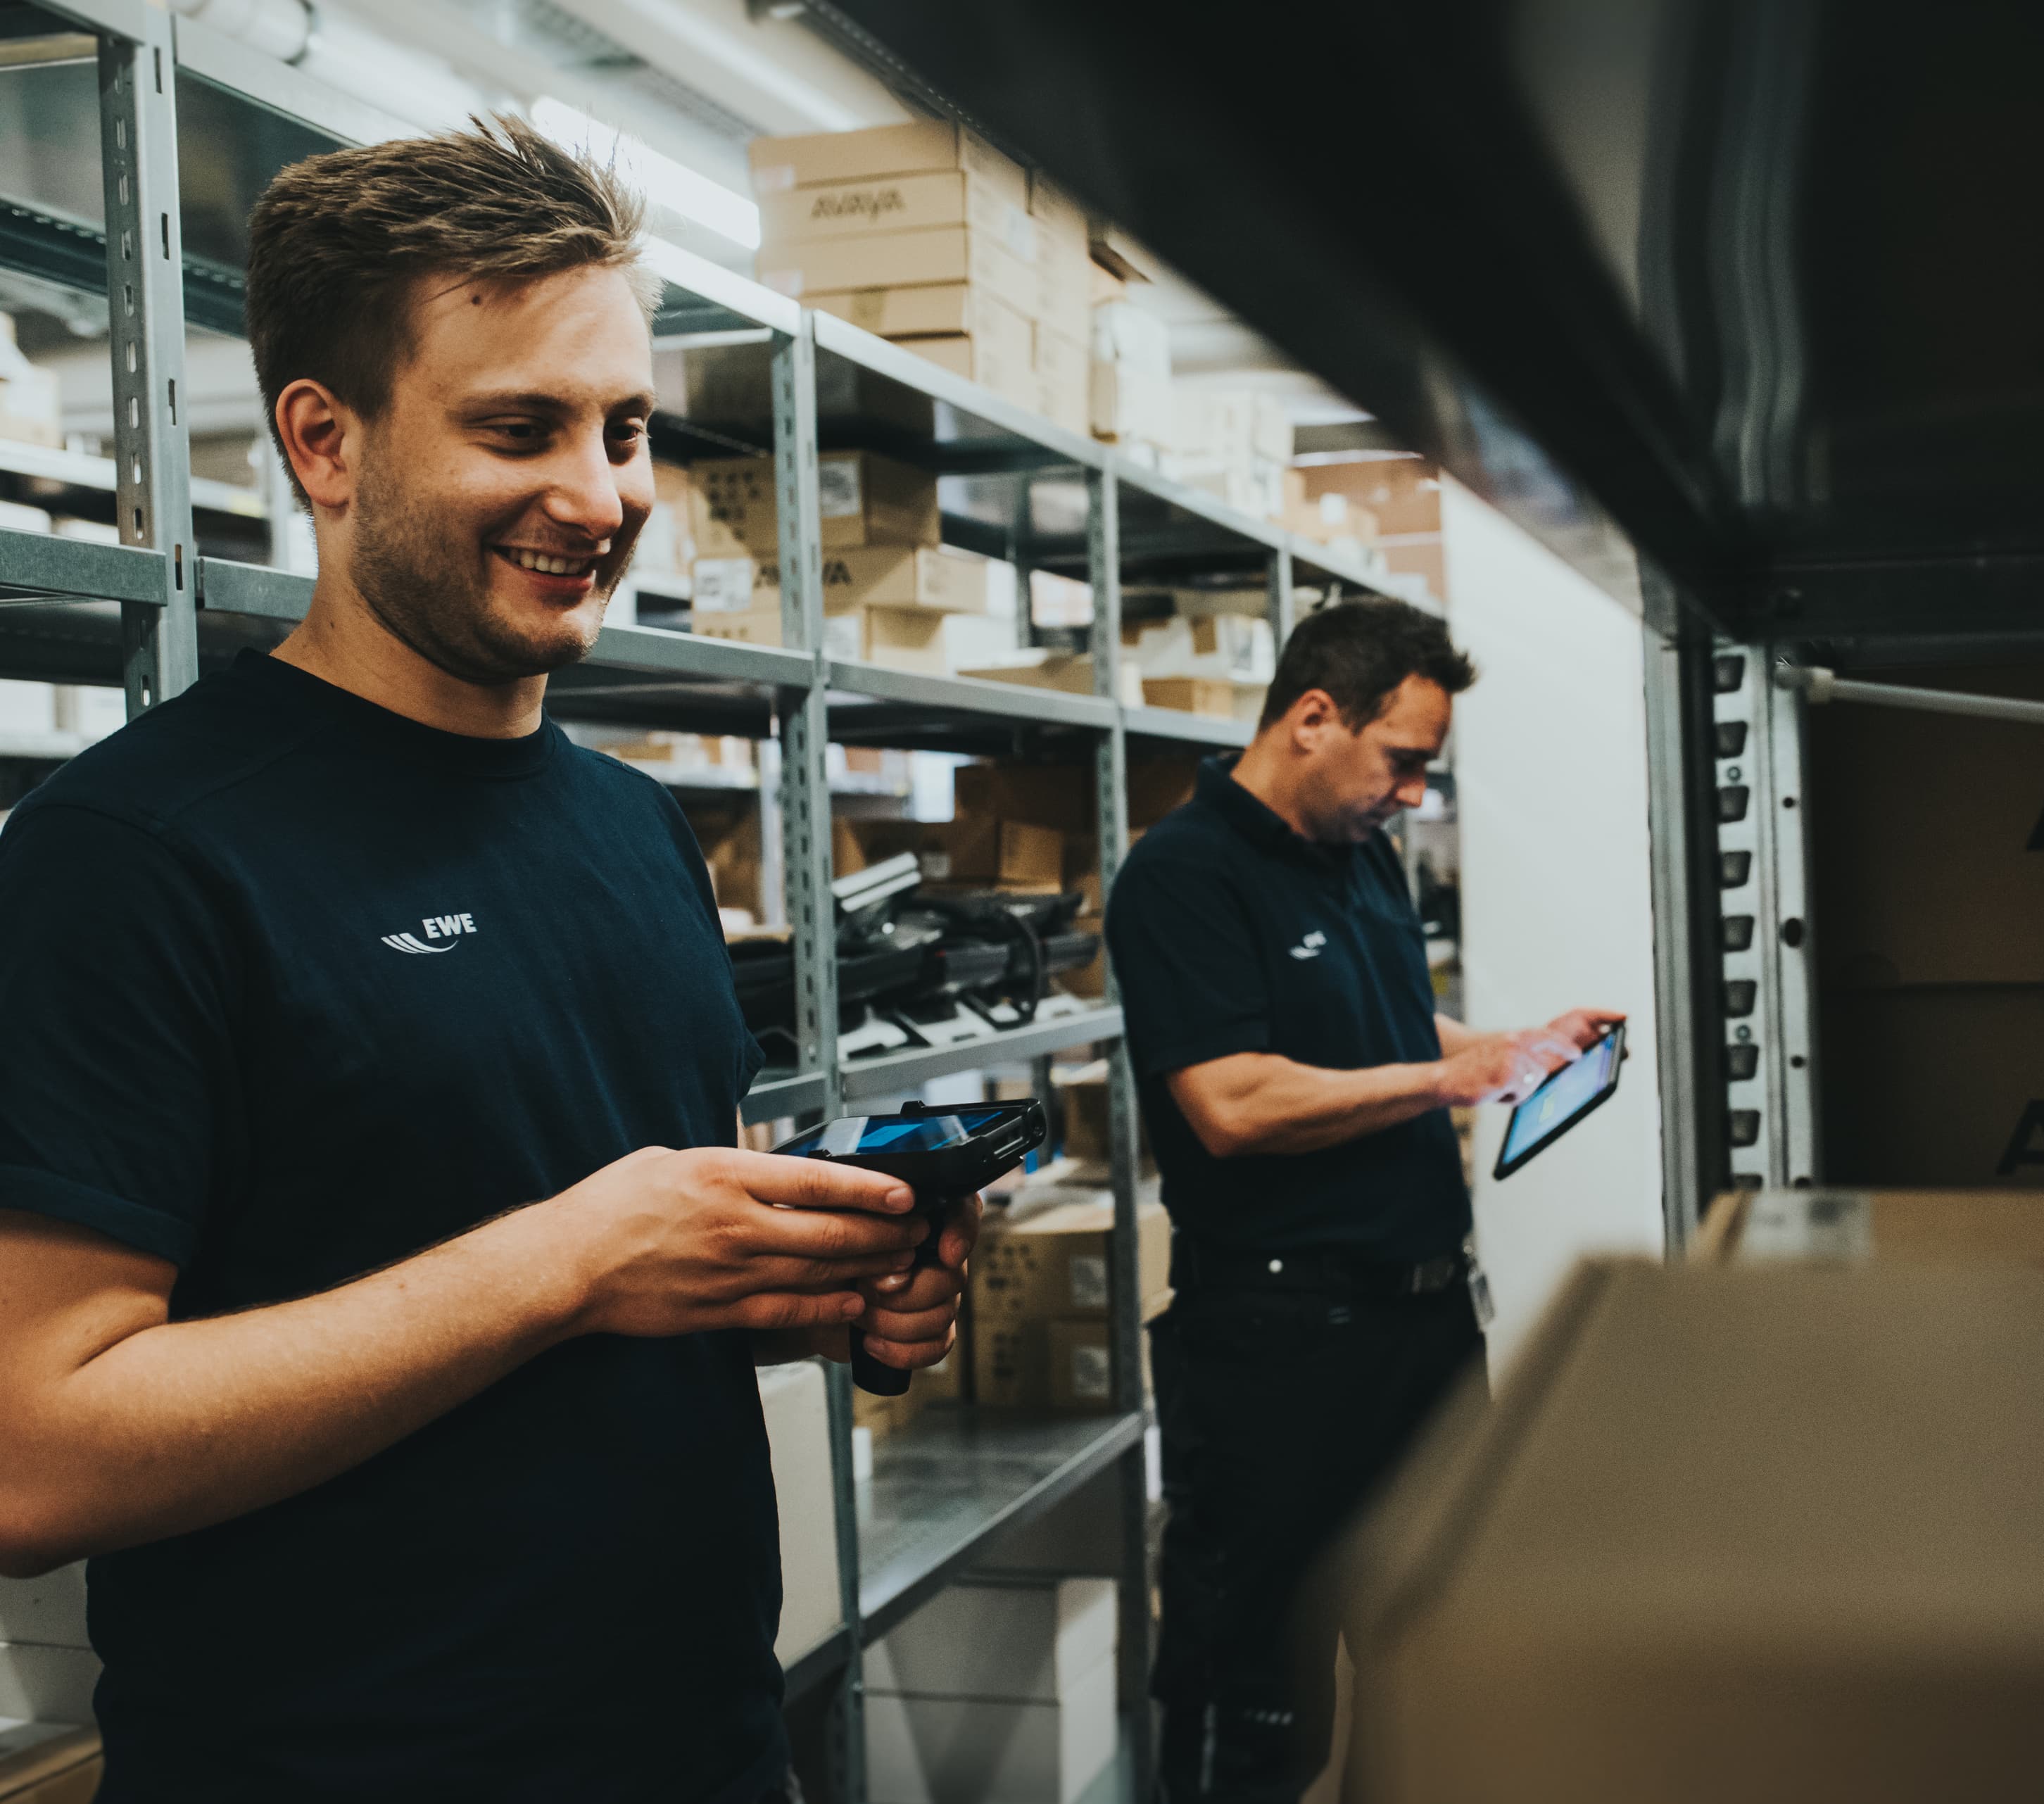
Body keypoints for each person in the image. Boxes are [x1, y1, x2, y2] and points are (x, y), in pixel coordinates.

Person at [0, 120, 974, 1804]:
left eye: (625, 428)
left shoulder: (630, 827)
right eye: (518, 428)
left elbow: (573, 1304)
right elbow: (35, 1454)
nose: (598, 498)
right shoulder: (136, 854)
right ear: (324, 439)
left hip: (706, 1749)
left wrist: (807, 1287)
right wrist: (575, 1257)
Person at [1104, 597, 1622, 1802]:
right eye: (1403, 766)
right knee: (1261, 1690)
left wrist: (1510, 1047)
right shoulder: (1183, 876)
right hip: (1279, 1348)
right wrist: (1452, 1075)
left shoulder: (1360, 856)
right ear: (1314, 717)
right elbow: (1230, 1101)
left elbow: (1390, 1030)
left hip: (1425, 1328)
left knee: (1433, 1659)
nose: (1412, 797)